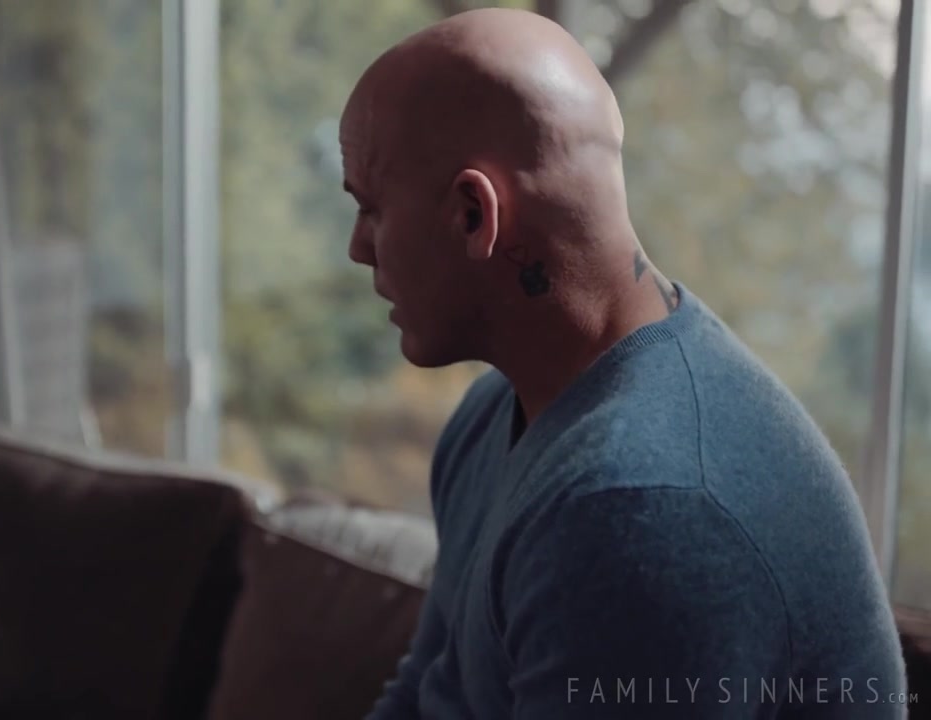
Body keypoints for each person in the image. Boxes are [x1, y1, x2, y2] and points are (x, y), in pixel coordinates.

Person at [340, 8, 907, 719]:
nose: (358, 248)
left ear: (473, 215)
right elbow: (427, 696)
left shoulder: (641, 511)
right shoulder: (491, 417)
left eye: (371, 209)